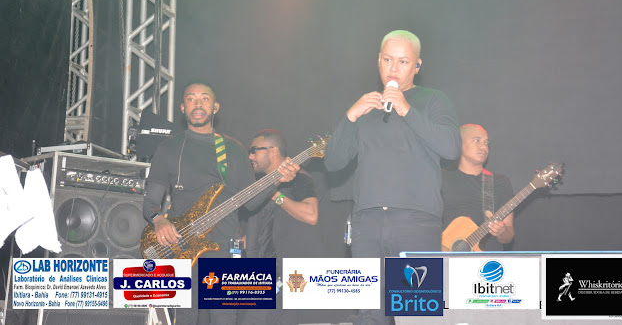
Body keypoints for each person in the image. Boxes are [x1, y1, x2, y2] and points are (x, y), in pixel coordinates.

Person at [324, 30, 461, 325]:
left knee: (416, 314)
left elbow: (451, 148)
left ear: (417, 66)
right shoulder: (366, 107)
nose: (394, 68)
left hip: (416, 222)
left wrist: (406, 109)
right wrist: (350, 116)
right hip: (366, 223)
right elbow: (333, 163)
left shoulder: (433, 100)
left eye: (403, 61)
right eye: (387, 60)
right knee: (369, 315)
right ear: (378, 60)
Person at [142, 82, 299, 325]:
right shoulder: (168, 149)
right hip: (181, 246)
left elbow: (250, 203)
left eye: (204, 98)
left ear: (215, 107)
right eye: (191, 99)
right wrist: (159, 220)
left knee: (224, 319)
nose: (198, 103)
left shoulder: (233, 150)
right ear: (183, 108)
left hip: (223, 248)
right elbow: (150, 203)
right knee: (185, 318)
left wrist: (276, 180)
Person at [242, 129, 323, 325]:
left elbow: (311, 215)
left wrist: (276, 196)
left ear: (273, 150)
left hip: (287, 274)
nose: (250, 156)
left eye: (254, 150)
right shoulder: (255, 184)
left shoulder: (299, 178)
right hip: (257, 272)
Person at [441, 124, 514, 251]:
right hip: (446, 255)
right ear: (459, 144)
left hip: (488, 259)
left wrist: (501, 231)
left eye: (486, 143)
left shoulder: (500, 183)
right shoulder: (440, 178)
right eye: (476, 140)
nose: (483, 146)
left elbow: (509, 236)